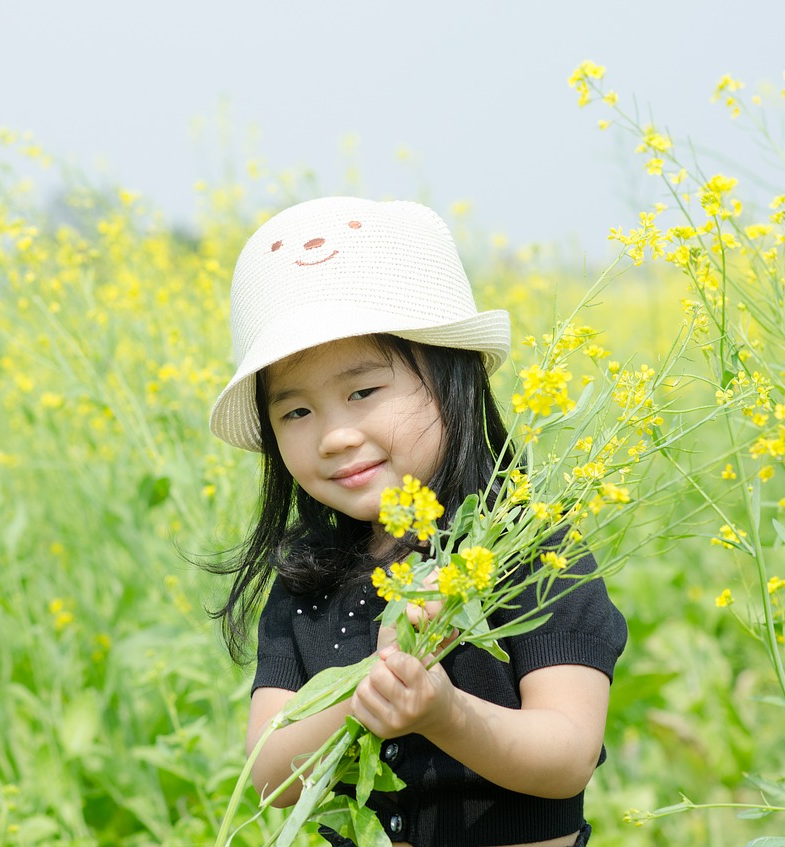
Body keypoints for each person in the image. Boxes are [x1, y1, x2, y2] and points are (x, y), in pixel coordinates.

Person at [208, 197, 627, 847]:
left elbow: (568, 753)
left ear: (452, 378)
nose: (334, 435)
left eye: (362, 392)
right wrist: (359, 697)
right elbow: (269, 774)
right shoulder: (305, 582)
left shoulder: (529, 552)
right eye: (296, 412)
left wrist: (444, 713)